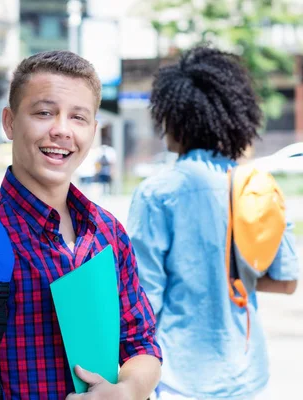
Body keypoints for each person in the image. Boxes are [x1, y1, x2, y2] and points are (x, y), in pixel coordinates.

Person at [0, 50, 162, 399]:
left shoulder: (107, 230)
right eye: (44, 113)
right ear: (9, 122)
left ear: (93, 131)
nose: (61, 130)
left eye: (78, 118)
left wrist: (125, 391)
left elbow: (140, 344)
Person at [127, 46, 299, 400]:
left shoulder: (157, 193)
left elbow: (145, 300)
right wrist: (231, 276)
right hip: (247, 373)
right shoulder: (255, 186)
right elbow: (286, 282)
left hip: (179, 378)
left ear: (173, 118)